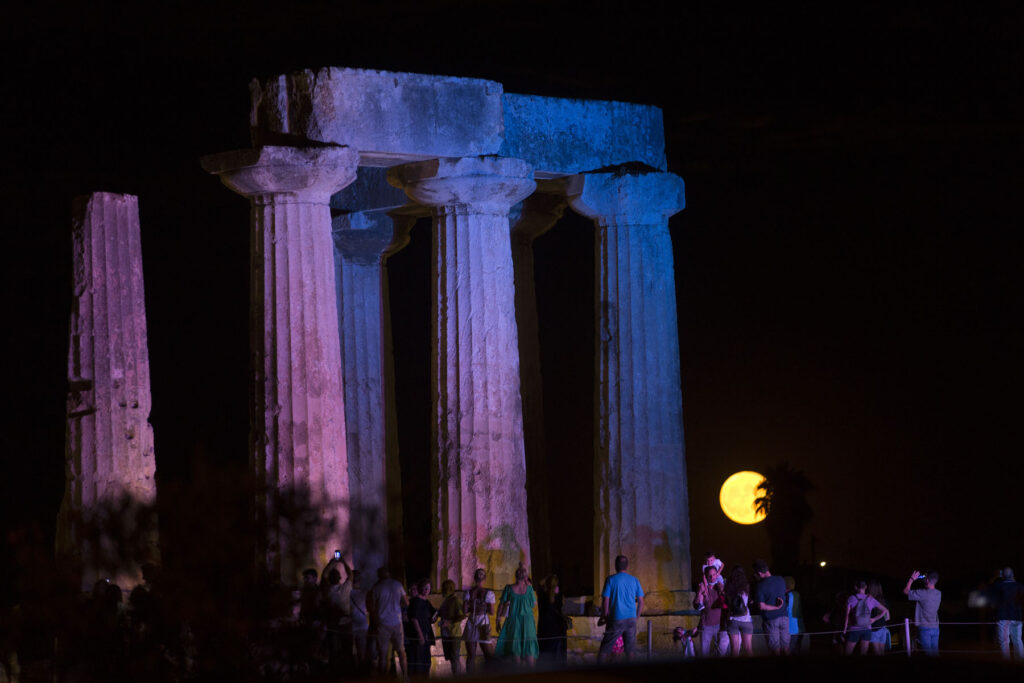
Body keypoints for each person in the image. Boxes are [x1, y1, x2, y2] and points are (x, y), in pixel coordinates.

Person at [598, 555, 645, 662]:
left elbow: (606, 600)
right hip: (631, 619)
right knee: (630, 651)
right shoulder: (635, 580)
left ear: (615, 565)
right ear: (627, 566)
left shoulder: (610, 580)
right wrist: (636, 617)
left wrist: (605, 616)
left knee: (604, 649)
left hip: (616, 619)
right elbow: (641, 602)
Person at [367, 567, 409, 677]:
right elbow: (406, 602)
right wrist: (398, 607)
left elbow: (372, 607)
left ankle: (383, 678)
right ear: (389, 574)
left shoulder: (376, 588)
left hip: (383, 624)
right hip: (397, 622)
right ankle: (405, 677)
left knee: (383, 654)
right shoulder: (397, 585)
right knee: (401, 652)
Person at [495, 565, 539, 665]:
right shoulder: (527, 589)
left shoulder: (511, 588)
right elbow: (533, 604)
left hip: (517, 622)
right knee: (525, 649)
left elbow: (501, 604)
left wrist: (498, 620)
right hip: (523, 621)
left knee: (518, 649)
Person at [843, 579, 889, 655]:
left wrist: (844, 629)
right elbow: (885, 610)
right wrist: (874, 619)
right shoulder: (871, 599)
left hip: (854, 629)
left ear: (855, 587)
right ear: (866, 587)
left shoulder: (851, 598)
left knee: (847, 653)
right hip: (867, 629)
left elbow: (847, 615)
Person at [752, 559, 789, 655]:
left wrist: (775, 608)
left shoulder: (760, 586)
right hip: (784, 617)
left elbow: (761, 606)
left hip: (771, 620)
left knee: (775, 650)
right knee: (786, 649)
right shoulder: (781, 579)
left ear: (759, 573)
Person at [463, 568, 496, 672]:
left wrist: (470, 604)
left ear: (474, 578)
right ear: (485, 579)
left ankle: (470, 678)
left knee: (471, 655)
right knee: (488, 654)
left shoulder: (468, 592)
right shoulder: (488, 593)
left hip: (472, 620)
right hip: (483, 621)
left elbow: (464, 611)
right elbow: (491, 612)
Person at [987, 567, 1024, 660]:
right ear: (1013, 575)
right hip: (1017, 617)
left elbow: (989, 592)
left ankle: (1006, 664)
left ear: (1002, 576)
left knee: (1004, 641)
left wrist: (996, 577)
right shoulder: (1019, 585)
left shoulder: (998, 585)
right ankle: (1020, 662)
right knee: (1018, 640)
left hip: (1004, 617)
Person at [903, 570, 941, 656]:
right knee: (935, 654)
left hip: (925, 628)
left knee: (928, 655)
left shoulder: (922, 593)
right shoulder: (939, 593)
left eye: (925, 578)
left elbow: (906, 591)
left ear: (927, 580)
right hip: (935, 627)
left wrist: (912, 579)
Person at [406, 578, 437, 676]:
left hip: (426, 635)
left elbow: (433, 615)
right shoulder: (416, 602)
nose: (426, 590)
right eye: (425, 588)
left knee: (426, 662)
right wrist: (420, 635)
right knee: (418, 663)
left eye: (428, 588)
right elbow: (414, 619)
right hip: (418, 637)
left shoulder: (426, 602)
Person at [695, 565, 727, 656]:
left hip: (719, 625)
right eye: (709, 575)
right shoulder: (702, 587)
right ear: (705, 576)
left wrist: (722, 590)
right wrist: (700, 593)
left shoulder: (720, 586)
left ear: (717, 574)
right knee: (704, 652)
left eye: (714, 574)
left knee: (722, 653)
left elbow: (726, 603)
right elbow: (696, 606)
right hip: (706, 625)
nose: (712, 577)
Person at [536, 574, 568, 664]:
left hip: (545, 629)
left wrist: (547, 577)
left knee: (545, 656)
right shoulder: (560, 596)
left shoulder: (542, 595)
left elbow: (539, 584)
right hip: (558, 629)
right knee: (558, 656)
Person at [723, 565, 754, 656]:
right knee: (748, 649)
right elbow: (749, 601)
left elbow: (726, 602)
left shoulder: (728, 586)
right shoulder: (746, 586)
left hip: (733, 620)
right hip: (746, 620)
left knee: (734, 649)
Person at [438, 579, 465, 675]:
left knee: (455, 658)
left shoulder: (455, 600)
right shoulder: (446, 601)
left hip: (454, 634)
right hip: (446, 634)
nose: (442, 590)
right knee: (451, 658)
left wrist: (449, 621)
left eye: (444, 588)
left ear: (450, 588)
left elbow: (462, 615)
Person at [349, 570, 371, 672]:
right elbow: (368, 609)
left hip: (351, 625)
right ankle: (361, 671)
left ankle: (355, 670)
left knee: (351, 650)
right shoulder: (365, 593)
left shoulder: (346, 592)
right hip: (361, 625)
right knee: (361, 651)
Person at [867, 579, 890, 655]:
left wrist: (874, 619)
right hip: (883, 628)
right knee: (881, 653)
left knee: (876, 654)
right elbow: (887, 617)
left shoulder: (870, 600)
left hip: (874, 630)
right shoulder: (883, 600)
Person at [785, 576, 806, 654]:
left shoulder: (789, 595)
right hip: (800, 627)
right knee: (797, 650)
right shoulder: (797, 594)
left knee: (790, 650)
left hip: (792, 628)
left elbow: (788, 609)